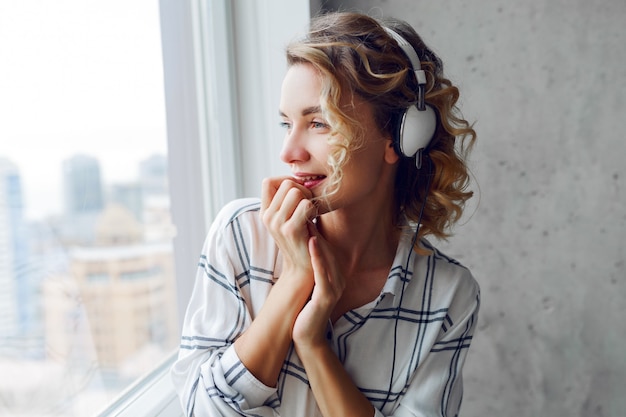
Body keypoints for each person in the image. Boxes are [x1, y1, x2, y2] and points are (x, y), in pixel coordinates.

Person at [172, 11, 480, 417]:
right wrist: (296, 282)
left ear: (400, 137)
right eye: (287, 123)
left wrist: (314, 344)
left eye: (319, 123)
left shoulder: (448, 295)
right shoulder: (241, 235)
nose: (288, 153)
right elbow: (201, 409)